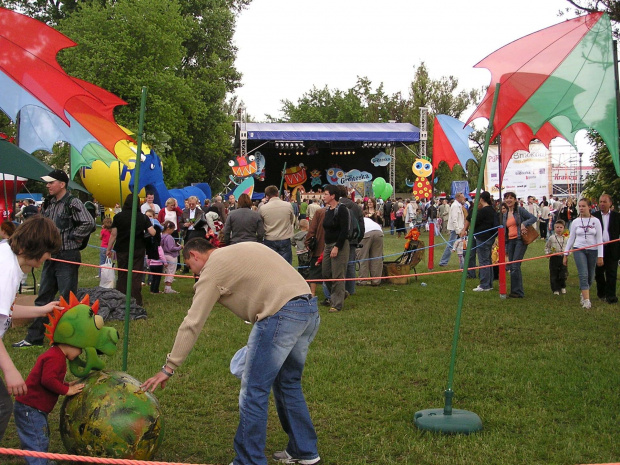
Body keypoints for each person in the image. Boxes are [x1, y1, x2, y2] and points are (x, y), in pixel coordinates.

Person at [141, 239, 321, 465]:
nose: (194, 273)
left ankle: (249, 460)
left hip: (279, 314)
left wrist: (169, 368)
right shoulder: (241, 248)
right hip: (308, 309)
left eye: (190, 265)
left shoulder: (213, 268)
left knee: (254, 390)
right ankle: (304, 451)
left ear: (195, 255)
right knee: (288, 383)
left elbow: (193, 322)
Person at [13, 170, 95, 349]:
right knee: (43, 297)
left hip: (67, 256)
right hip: (49, 256)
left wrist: (72, 236)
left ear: (62, 184)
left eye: (51, 182)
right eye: (47, 183)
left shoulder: (73, 202)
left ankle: (64, 339)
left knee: (66, 299)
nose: (48, 185)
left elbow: (89, 222)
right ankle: (34, 337)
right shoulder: (49, 203)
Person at [1, 217, 61, 441]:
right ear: (33, 248)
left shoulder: (8, 256)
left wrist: (42, 310)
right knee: (1, 405)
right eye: (47, 251)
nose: (49, 257)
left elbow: (6, 310)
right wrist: (10, 370)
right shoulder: (6, 272)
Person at [13, 340, 85, 464]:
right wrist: (67, 390)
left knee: (41, 436)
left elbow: (52, 379)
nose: (80, 353)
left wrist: (66, 384)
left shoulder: (56, 354)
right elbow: (48, 380)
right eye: (80, 349)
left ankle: (42, 462)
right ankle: (39, 463)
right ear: (71, 343)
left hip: (34, 407)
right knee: (36, 438)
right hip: (30, 408)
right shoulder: (55, 357)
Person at [106, 194, 156, 307]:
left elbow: (113, 235)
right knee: (136, 274)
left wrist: (108, 249)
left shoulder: (118, 217)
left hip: (122, 249)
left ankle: (121, 299)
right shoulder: (143, 217)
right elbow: (152, 232)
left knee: (123, 273)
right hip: (138, 248)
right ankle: (136, 300)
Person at [564, 198, 603, 309]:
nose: (581, 208)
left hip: (593, 250)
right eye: (579, 206)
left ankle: (583, 291)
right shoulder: (575, 222)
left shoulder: (596, 221)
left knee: (591, 275)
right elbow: (571, 239)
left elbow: (599, 239)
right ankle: (586, 300)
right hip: (579, 249)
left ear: (589, 207)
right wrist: (566, 254)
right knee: (583, 274)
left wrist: (600, 256)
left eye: (583, 206)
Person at [501, 191, 537, 298]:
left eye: (511, 198)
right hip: (510, 241)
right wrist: (506, 246)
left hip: (520, 240)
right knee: (512, 267)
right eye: (507, 198)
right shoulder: (505, 214)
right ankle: (515, 291)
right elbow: (505, 231)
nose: (509, 200)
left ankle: (518, 292)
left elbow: (533, 218)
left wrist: (523, 224)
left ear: (515, 200)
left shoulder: (519, 210)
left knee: (515, 266)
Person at [462, 191, 498, 292]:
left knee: (483, 261)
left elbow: (473, 221)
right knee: (488, 260)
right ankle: (489, 283)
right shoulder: (492, 210)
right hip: (489, 238)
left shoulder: (482, 211)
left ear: (481, 199)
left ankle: (485, 285)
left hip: (482, 238)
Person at [321, 184, 349, 313]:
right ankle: (341, 292)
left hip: (339, 245)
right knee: (326, 273)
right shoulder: (327, 210)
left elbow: (344, 230)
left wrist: (337, 246)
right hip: (328, 245)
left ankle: (336, 304)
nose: (323, 196)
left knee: (338, 274)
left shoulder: (342, 209)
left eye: (325, 194)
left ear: (333, 196)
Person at [593, 194, 620, 304]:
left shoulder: (617, 216)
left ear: (610, 203)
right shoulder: (594, 216)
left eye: (604, 202)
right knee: (599, 273)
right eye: (600, 202)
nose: (602, 204)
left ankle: (611, 296)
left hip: (612, 248)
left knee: (612, 273)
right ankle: (601, 293)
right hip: (599, 248)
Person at [338, 185, 364, 296]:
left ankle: (339, 288)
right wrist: (358, 239)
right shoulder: (356, 207)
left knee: (338, 264)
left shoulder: (337, 206)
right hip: (353, 239)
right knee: (351, 264)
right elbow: (361, 226)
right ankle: (350, 289)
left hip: (338, 239)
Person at [260, 185, 295, 264]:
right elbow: (292, 220)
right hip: (284, 237)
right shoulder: (288, 205)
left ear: (267, 196)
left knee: (271, 266)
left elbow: (261, 224)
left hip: (270, 239)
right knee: (286, 266)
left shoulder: (263, 208)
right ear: (277, 193)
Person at [438, 193, 466, 266]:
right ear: (458, 198)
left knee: (461, 245)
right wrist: (457, 230)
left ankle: (464, 262)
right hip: (456, 229)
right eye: (462, 197)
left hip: (459, 228)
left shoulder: (458, 205)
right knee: (451, 245)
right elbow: (454, 219)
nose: (464, 198)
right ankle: (443, 262)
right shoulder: (455, 206)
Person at [304, 207, 326, 298]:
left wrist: (308, 241)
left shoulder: (320, 212)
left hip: (320, 247)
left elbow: (312, 229)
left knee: (314, 270)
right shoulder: (343, 210)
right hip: (333, 247)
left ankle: (312, 292)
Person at [357, 216, 384, 286]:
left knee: (363, 257)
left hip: (366, 233)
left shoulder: (356, 219)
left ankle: (362, 280)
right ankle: (376, 280)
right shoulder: (368, 219)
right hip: (379, 232)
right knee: (377, 257)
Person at [545, 219, 568, 295]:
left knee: (563, 273)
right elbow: (547, 247)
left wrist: (567, 254)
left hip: (563, 257)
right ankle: (555, 289)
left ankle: (562, 286)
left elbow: (569, 247)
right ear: (554, 228)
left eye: (561, 227)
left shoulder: (566, 238)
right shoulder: (552, 238)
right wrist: (547, 253)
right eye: (557, 227)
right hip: (554, 258)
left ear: (563, 228)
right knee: (554, 274)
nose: (559, 229)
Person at [161, 221, 182, 294]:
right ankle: (168, 288)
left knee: (166, 271)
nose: (173, 231)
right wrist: (179, 247)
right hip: (171, 256)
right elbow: (171, 248)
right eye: (173, 229)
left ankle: (166, 287)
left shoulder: (161, 236)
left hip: (164, 255)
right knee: (171, 271)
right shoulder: (169, 237)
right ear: (169, 229)